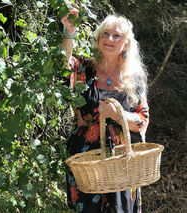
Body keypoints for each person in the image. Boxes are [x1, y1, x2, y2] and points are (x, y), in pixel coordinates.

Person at [60, 5, 149, 213]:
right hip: (86, 161)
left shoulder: (134, 79)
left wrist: (118, 115)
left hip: (122, 161)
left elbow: (142, 120)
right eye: (105, 34)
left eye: (117, 36)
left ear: (126, 44)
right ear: (98, 38)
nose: (110, 39)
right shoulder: (84, 68)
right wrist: (69, 32)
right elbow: (64, 67)